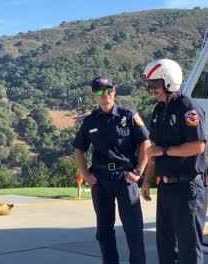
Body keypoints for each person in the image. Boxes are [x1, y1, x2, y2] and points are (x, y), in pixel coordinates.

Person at [72, 75, 150, 264]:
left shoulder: (129, 116)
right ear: (94, 95)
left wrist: (138, 171)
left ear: (114, 91)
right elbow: (79, 151)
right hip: (100, 180)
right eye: (100, 91)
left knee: (134, 230)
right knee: (104, 232)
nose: (105, 94)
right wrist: (87, 175)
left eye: (108, 90)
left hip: (126, 177)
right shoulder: (89, 122)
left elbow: (145, 144)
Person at [140, 59, 208, 264]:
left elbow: (198, 146)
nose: (152, 90)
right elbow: (153, 149)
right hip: (166, 187)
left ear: (169, 82)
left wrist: (164, 151)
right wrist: (146, 181)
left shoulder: (187, 109)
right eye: (149, 85)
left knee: (189, 248)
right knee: (165, 245)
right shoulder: (159, 110)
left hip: (188, 187)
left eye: (155, 84)